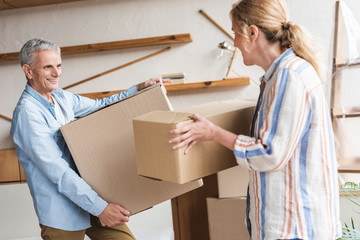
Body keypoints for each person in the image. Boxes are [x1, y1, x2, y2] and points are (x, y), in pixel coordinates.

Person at [169, 0, 341, 239]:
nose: (235, 42)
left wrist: (213, 133)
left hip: (295, 228)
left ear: (252, 32)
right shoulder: (279, 76)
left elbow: (270, 153)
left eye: (234, 33)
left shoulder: (288, 76)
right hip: (293, 225)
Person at [10, 38, 168, 240]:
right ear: (28, 71)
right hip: (62, 214)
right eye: (48, 67)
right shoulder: (27, 114)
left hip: (91, 199)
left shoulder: (60, 97)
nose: (57, 73)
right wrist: (101, 208)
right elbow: (59, 172)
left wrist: (137, 88)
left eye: (58, 66)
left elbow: (100, 106)